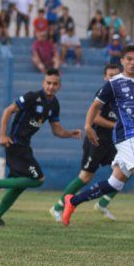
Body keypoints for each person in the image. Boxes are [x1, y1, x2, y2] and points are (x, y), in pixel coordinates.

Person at [62, 45, 134, 233]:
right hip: (126, 134)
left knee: (114, 183)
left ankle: (72, 201)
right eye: (129, 59)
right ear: (122, 61)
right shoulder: (113, 83)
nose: (133, 63)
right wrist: (87, 126)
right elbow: (94, 106)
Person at [0, 69, 81, 226]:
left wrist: (70, 134)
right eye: (48, 83)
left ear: (59, 86)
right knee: (38, 179)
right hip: (15, 143)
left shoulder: (54, 104)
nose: (51, 86)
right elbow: (8, 111)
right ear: (43, 83)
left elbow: (57, 130)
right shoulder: (31, 97)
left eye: (55, 84)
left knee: (20, 184)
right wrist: (2, 135)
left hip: (24, 145)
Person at [50, 64, 121, 223]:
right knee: (85, 177)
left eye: (116, 76)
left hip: (112, 142)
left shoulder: (122, 95)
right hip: (96, 141)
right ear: (105, 77)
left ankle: (102, 204)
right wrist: (116, 126)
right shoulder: (103, 94)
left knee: (125, 171)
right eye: (110, 75)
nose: (113, 79)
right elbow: (95, 118)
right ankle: (57, 207)